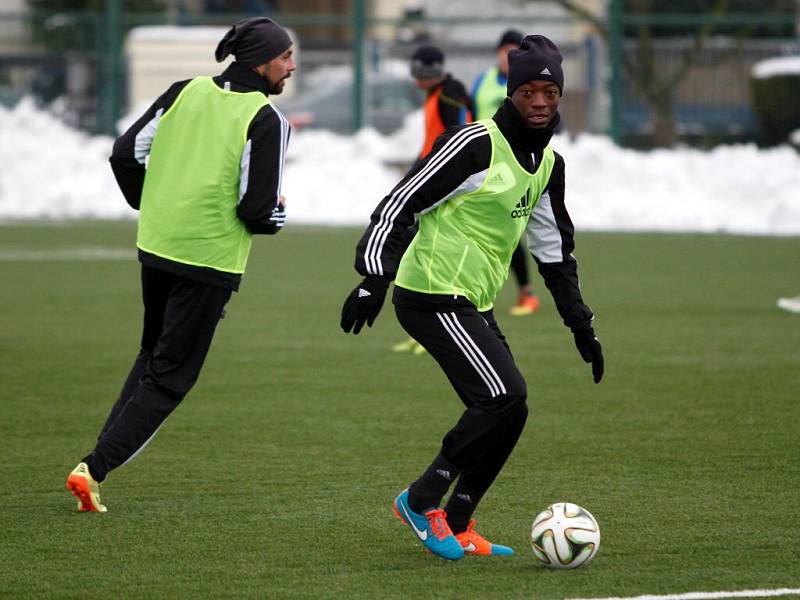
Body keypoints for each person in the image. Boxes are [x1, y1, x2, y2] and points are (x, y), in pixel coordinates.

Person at [340, 34, 604, 560]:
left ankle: (458, 520)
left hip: (470, 300)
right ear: (512, 92)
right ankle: (419, 500)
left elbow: (554, 253)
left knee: (513, 408)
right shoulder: (476, 143)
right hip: (431, 292)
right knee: (501, 396)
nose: (538, 102)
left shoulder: (549, 166)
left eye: (549, 92)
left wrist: (581, 325)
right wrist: (374, 276)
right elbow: (399, 203)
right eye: (527, 90)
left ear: (559, 96)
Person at [65, 17, 295, 513]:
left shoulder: (182, 91)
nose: (291, 68)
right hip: (207, 259)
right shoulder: (266, 118)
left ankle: (94, 463)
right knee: (170, 377)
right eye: (286, 57)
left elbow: (126, 153)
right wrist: (277, 217)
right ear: (262, 62)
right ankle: (94, 468)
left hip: (158, 245)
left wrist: (155, 203)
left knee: (152, 356)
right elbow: (257, 211)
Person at [394, 45, 473, 355]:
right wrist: (412, 174)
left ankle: (435, 324)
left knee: (421, 248)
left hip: (443, 183)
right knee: (415, 249)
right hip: (432, 178)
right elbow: (430, 144)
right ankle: (424, 329)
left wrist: (432, 175)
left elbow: (457, 136)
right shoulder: (434, 94)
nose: (415, 78)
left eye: (419, 72)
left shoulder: (450, 91)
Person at [473, 29, 542, 317]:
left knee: (506, 229)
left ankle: (526, 292)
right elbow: (469, 112)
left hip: (512, 164)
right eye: (504, 51)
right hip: (478, 165)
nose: (507, 57)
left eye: (514, 52)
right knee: (480, 228)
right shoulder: (484, 80)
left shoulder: (526, 86)